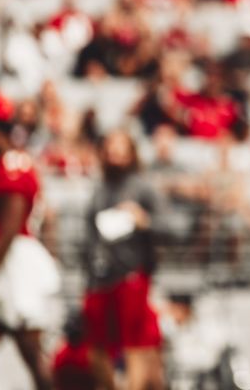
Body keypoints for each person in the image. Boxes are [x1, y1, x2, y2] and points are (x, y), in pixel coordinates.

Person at [0, 132, 60, 390]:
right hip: (3, 272)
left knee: (31, 353)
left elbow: (10, 229)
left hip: (14, 271)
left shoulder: (13, 165)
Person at [82, 130, 167, 390]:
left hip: (131, 276)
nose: (114, 154)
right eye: (110, 148)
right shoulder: (98, 189)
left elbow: (171, 226)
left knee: (135, 346)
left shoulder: (143, 187)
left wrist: (144, 221)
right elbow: (89, 234)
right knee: (95, 347)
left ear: (131, 154)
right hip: (99, 278)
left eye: (120, 149)